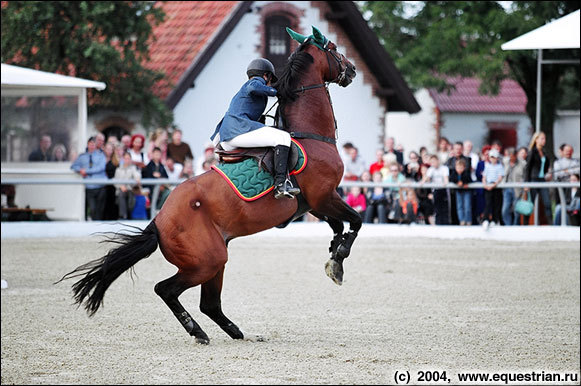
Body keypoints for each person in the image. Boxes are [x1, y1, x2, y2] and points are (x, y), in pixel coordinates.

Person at [210, 58, 299, 200]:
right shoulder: (255, 81)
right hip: (237, 131)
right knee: (282, 137)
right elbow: (254, 87)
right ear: (266, 75)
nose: (269, 82)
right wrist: (276, 91)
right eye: (270, 79)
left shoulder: (245, 89)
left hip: (229, 134)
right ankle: (281, 184)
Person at [70, 136, 107, 221]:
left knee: (100, 209)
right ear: (88, 145)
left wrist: (86, 171)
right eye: (90, 144)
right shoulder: (82, 156)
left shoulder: (101, 156)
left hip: (100, 186)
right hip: (89, 187)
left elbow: (101, 168)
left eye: (94, 144)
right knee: (92, 208)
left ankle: (99, 225)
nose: (92, 146)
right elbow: (73, 166)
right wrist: (80, 170)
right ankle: (94, 226)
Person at [524, 131, 553, 224]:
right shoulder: (532, 152)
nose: (544, 141)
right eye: (542, 138)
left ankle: (551, 224)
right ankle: (525, 224)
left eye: (544, 138)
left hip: (542, 180)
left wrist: (547, 173)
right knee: (530, 204)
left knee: (547, 203)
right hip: (533, 180)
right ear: (536, 140)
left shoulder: (544, 152)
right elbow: (527, 168)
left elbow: (546, 166)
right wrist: (526, 183)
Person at [422, 154, 449, 225]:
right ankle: (438, 224)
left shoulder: (444, 168)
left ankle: (445, 224)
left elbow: (446, 179)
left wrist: (445, 183)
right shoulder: (431, 169)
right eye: (431, 162)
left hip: (443, 191)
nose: (433, 164)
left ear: (438, 161)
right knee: (437, 208)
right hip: (436, 191)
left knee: (444, 208)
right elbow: (426, 178)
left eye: (434, 162)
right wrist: (422, 182)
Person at [501, 147, 526, 226]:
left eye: (512, 156)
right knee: (505, 209)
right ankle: (508, 226)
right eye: (509, 156)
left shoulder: (523, 163)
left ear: (516, 155)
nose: (510, 158)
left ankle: (515, 226)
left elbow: (525, 176)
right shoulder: (505, 162)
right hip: (507, 188)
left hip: (517, 189)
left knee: (516, 210)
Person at [114, 152, 142, 220]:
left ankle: (128, 216)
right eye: (126, 158)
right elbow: (115, 180)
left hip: (130, 189)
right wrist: (121, 186)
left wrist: (137, 178)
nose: (127, 160)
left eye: (129, 158)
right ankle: (123, 216)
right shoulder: (118, 169)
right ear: (123, 159)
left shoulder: (133, 168)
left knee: (130, 196)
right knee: (121, 193)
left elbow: (136, 175)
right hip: (120, 190)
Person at [482, 148, 504, 229]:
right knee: (488, 204)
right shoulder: (487, 166)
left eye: (494, 157)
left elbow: (500, 177)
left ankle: (495, 220)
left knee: (496, 204)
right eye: (491, 157)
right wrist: (485, 184)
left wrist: (493, 185)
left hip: (496, 187)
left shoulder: (500, 166)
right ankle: (485, 219)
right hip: (488, 186)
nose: (493, 159)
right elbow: (484, 176)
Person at [142, 147, 169, 212]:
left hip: (162, 188)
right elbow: (147, 178)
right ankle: (155, 210)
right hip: (151, 189)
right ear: (152, 154)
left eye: (159, 154)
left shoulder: (161, 166)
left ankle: (159, 209)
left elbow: (166, 178)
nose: (157, 156)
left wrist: (160, 177)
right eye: (156, 154)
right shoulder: (148, 166)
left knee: (168, 193)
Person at [449, 158, 473, 226]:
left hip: (466, 192)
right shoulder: (454, 173)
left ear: (464, 167)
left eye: (461, 167)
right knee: (460, 206)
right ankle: (461, 220)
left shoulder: (466, 173)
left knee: (467, 206)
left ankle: (468, 220)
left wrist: (463, 182)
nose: (459, 169)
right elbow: (452, 179)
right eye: (458, 167)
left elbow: (469, 179)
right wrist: (457, 182)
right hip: (459, 192)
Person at [103, 142, 119, 220]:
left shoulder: (115, 161)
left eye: (111, 149)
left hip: (112, 187)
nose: (109, 151)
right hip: (102, 186)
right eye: (108, 149)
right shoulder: (101, 159)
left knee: (112, 206)